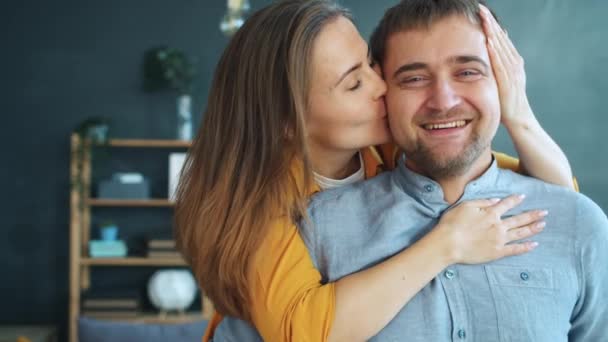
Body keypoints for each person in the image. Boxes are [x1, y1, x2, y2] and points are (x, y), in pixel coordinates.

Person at [173, 1, 576, 341]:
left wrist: (518, 113)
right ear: (288, 122)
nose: (382, 85)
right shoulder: (261, 203)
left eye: (369, 63)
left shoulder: (384, 147)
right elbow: (304, 330)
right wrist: (446, 245)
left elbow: (554, 194)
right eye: (354, 84)